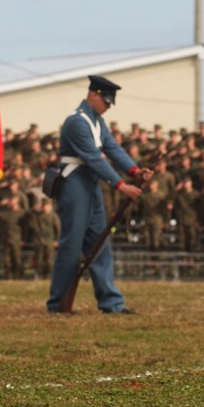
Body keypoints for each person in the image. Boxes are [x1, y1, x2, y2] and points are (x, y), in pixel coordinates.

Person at [46, 76, 152, 314]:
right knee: (71, 247)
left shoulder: (96, 122)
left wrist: (135, 170)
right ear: (93, 95)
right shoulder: (76, 122)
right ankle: (58, 303)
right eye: (105, 101)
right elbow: (93, 157)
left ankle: (111, 303)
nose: (108, 106)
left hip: (90, 184)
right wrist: (120, 184)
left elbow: (113, 148)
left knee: (100, 244)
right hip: (74, 183)